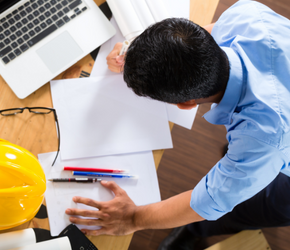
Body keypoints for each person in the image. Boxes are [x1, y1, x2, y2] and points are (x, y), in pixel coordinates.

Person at [65, 1, 290, 249]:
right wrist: (136, 52)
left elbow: (209, 201)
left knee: (258, 206)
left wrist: (133, 218)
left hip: (279, 158)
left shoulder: (261, 139)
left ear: (186, 104)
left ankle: (197, 232)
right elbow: (196, 42)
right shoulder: (248, 14)